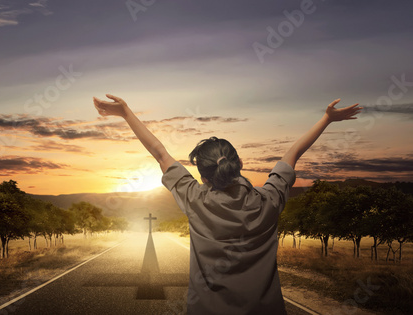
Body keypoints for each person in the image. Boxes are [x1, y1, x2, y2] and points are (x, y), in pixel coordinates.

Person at [93, 95, 362, 314]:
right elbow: (292, 155)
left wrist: (126, 113)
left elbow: (159, 152)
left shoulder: (195, 200)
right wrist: (327, 118)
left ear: (202, 175)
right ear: (239, 164)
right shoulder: (268, 200)